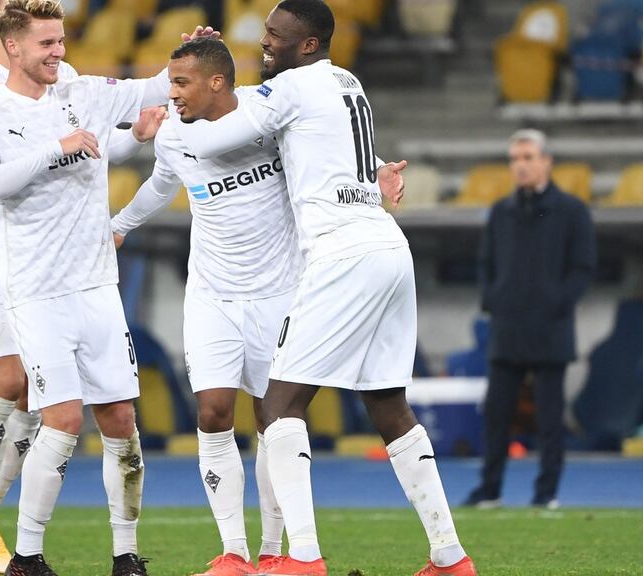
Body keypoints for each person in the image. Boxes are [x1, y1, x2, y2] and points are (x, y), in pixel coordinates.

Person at [169, 1, 475, 575]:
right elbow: (328, 140)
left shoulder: (292, 86)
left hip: (342, 254)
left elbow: (211, 141)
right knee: (388, 403)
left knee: (280, 403)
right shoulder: (344, 80)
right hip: (387, 246)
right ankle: (450, 558)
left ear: (307, 45)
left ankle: (302, 560)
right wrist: (379, 167)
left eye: (276, 37)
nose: (265, 44)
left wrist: (186, 96)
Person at [112, 37, 408, 576]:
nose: (170, 94)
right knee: (212, 411)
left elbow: (325, 144)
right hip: (211, 293)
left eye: (181, 83)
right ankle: (233, 552)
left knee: (274, 417)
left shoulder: (262, 115)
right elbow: (161, 183)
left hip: (279, 291)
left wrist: (378, 168)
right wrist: (119, 226)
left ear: (217, 82)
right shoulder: (175, 133)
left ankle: (275, 549)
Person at [0, 2, 210, 574]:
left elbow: (156, 85)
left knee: (121, 418)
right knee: (64, 420)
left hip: (97, 285)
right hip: (37, 293)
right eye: (46, 43)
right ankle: (26, 555)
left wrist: (188, 54)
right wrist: (56, 150)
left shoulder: (84, 94)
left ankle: (125, 555)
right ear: (13, 45)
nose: (58, 52)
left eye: (62, 41)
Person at [464, 129, 596, 510]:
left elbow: (584, 268)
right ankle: (490, 490)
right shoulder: (501, 212)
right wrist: (494, 301)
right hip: (507, 328)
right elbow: (486, 264)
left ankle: (546, 493)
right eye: (514, 158)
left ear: (545, 161)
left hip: (551, 330)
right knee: (496, 416)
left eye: (527, 157)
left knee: (551, 419)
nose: (520, 165)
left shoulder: (572, 210)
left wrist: (556, 303)